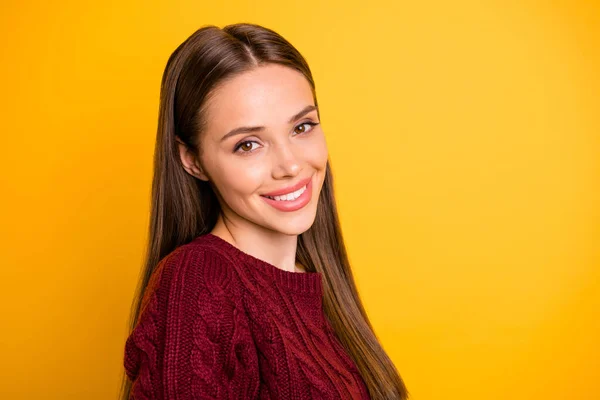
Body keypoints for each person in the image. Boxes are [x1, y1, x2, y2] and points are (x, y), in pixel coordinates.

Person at [120, 22, 409, 400]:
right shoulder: (199, 280)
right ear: (193, 160)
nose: (289, 164)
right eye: (248, 145)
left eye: (302, 126)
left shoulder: (317, 276)